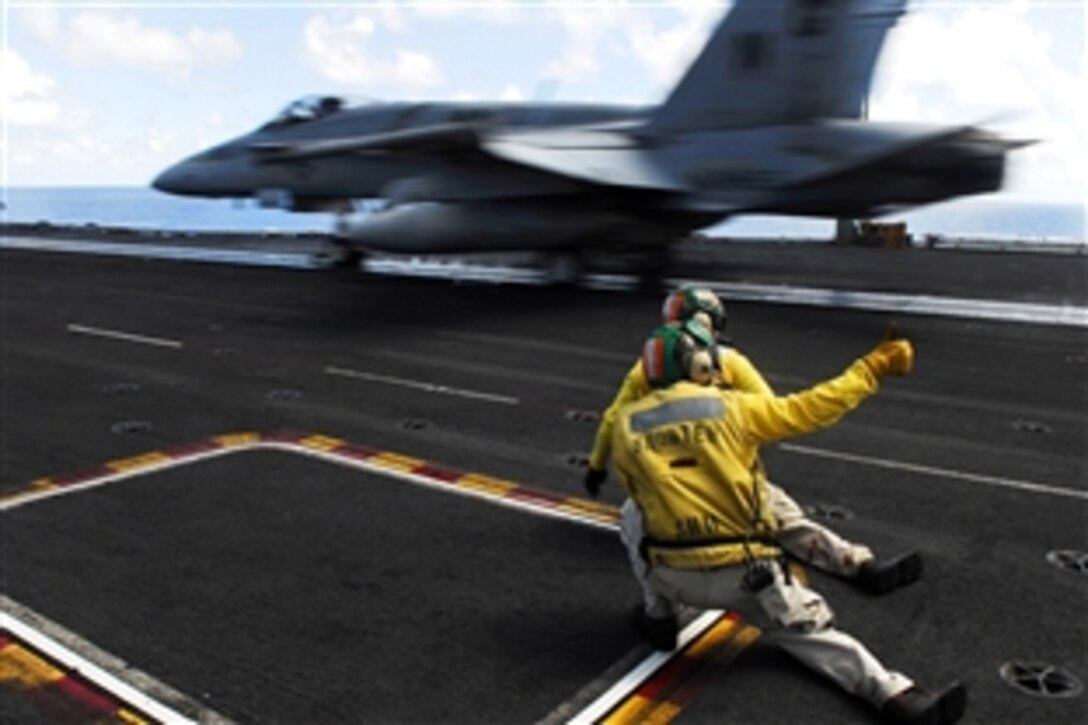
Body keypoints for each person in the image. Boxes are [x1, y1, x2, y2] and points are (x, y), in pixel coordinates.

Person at [611, 322, 966, 724]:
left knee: (631, 512)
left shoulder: (626, 424)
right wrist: (872, 369)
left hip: (673, 577)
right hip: (749, 579)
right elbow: (810, 408)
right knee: (815, 638)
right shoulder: (732, 407)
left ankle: (658, 617)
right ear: (697, 364)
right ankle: (897, 696)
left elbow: (641, 492)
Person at [584, 285, 921, 595]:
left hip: (667, 493)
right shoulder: (730, 363)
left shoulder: (646, 369)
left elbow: (614, 419)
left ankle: (658, 611)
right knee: (784, 517)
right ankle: (859, 565)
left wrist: (597, 466)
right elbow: (774, 409)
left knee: (635, 515)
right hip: (729, 482)